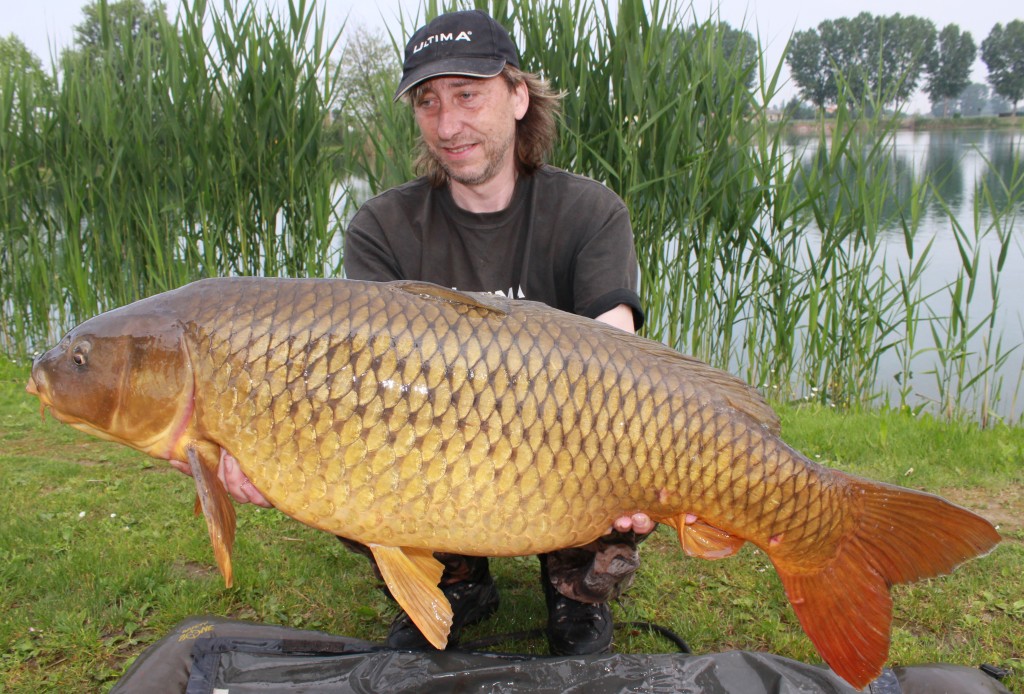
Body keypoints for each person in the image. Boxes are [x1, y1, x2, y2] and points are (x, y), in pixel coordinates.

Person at [172, 8, 655, 656]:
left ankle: (575, 591)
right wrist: (265, 449)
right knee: (357, 442)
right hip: (438, 442)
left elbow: (617, 349)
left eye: (467, 94)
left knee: (611, 430)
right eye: (428, 101)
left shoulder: (590, 211)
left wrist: (642, 463)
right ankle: (456, 582)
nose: (448, 124)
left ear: (517, 97)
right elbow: (354, 381)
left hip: (562, 451)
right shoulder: (382, 227)